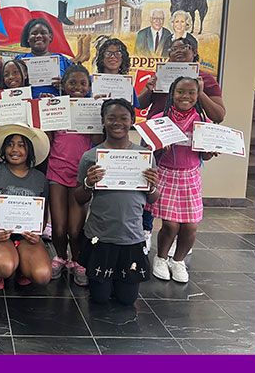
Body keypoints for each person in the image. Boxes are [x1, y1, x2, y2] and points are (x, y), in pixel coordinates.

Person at [137, 36, 226, 252]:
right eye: (173, 48)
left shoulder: (206, 79)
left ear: (194, 52)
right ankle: (145, 232)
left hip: (187, 143)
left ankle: (177, 243)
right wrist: (150, 88)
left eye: (184, 47)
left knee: (181, 207)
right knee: (148, 184)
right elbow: (138, 106)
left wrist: (201, 91)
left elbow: (219, 114)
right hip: (157, 134)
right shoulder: (160, 75)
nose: (178, 51)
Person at [75, 99, 159, 305]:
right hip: (100, 236)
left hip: (131, 236)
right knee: (100, 299)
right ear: (103, 121)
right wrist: (88, 182)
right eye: (111, 118)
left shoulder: (144, 156)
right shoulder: (91, 156)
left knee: (127, 300)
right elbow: (79, 198)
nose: (117, 123)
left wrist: (153, 186)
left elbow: (152, 199)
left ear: (132, 121)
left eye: (123, 118)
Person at [150, 78, 218, 283]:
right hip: (167, 175)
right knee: (170, 225)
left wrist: (209, 152)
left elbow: (204, 156)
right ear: (172, 94)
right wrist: (161, 147)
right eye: (180, 92)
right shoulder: (161, 119)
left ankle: (177, 261)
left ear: (198, 96)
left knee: (190, 227)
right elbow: (150, 150)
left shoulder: (203, 122)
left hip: (190, 177)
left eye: (191, 93)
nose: (185, 97)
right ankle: (161, 258)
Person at [0, 125, 52, 290]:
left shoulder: (40, 179)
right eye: (10, 144)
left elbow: (43, 212)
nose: (14, 149)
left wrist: (37, 232)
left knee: (43, 275)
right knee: (4, 267)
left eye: (21, 145)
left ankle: (23, 266)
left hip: (25, 237)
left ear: (29, 150)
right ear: (3, 148)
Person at [47, 64, 102, 285]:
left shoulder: (91, 108)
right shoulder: (58, 106)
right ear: (63, 85)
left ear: (89, 87)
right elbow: (47, 139)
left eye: (82, 84)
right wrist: (47, 110)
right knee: (59, 228)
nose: (77, 87)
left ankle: (78, 261)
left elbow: (97, 141)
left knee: (75, 228)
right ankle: (61, 257)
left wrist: (97, 113)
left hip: (81, 175)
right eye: (72, 83)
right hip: (57, 171)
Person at [16, 18, 73, 98]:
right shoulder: (19, 61)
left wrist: (66, 84)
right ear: (28, 38)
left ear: (50, 37)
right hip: (28, 107)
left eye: (43, 33)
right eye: (34, 33)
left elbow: (79, 85)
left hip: (56, 107)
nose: (39, 36)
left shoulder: (63, 61)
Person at [94, 37, 141, 108]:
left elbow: (131, 113)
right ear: (102, 57)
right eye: (108, 53)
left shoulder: (127, 85)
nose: (112, 56)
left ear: (123, 57)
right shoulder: (91, 82)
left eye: (118, 53)